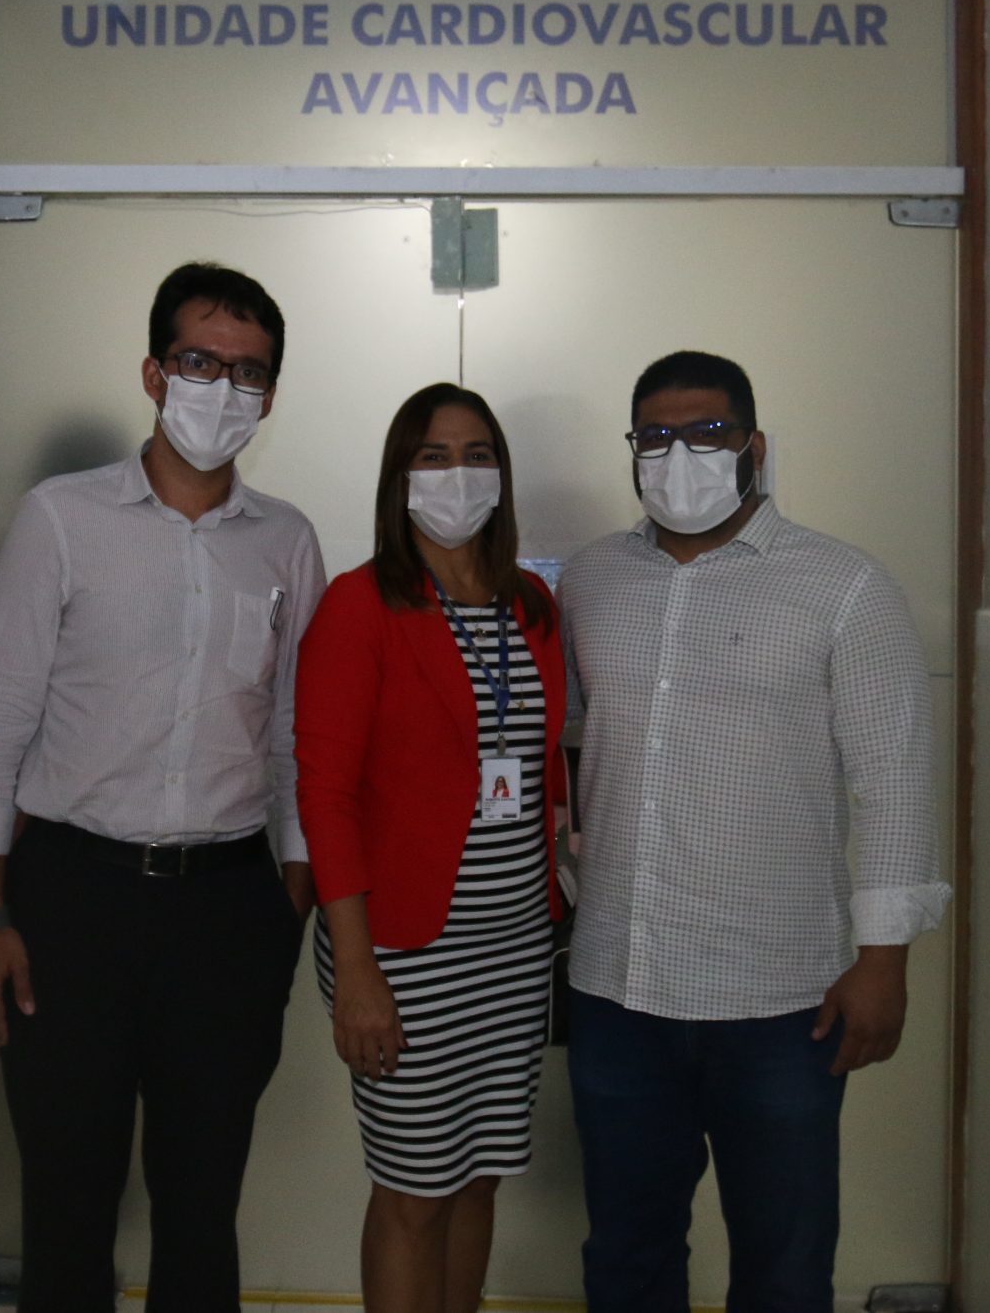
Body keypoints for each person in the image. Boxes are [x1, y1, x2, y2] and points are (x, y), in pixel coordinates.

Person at [0, 262, 326, 1313]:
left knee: (202, 1204)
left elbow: (296, 734)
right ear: (155, 374)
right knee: (68, 1200)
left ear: (269, 397)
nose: (223, 387)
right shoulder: (61, 519)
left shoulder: (287, 542)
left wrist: (289, 896)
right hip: (72, 900)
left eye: (248, 371)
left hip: (227, 908)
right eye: (201, 361)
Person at [558, 350, 950, 1313]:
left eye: (708, 433)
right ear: (632, 450)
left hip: (781, 1001)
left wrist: (884, 961)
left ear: (755, 446)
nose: (679, 454)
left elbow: (894, 781)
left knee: (783, 1266)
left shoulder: (844, 586)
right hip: (619, 986)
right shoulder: (592, 580)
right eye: (656, 436)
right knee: (626, 1255)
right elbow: (568, 742)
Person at [294, 384, 568, 1313]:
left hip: (514, 947)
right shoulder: (360, 605)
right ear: (399, 478)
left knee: (480, 1175)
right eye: (434, 456)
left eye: (479, 454)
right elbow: (326, 796)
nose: (460, 473)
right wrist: (357, 970)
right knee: (414, 1190)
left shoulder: (532, 603)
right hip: (404, 953)